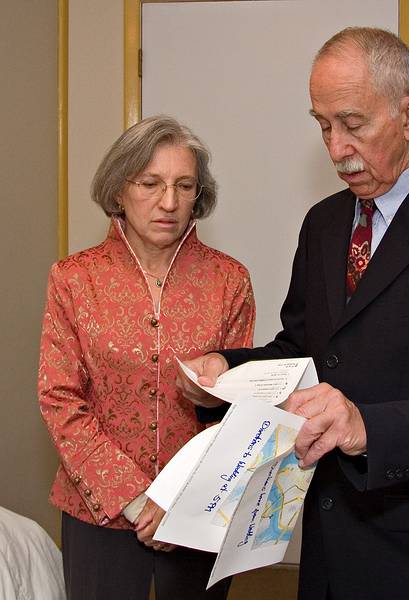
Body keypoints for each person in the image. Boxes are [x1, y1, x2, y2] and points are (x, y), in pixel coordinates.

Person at [177, 28, 409, 600]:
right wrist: (226, 371)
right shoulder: (324, 224)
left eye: (353, 124)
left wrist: (367, 426)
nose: (336, 147)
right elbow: (305, 352)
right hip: (331, 544)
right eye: (323, 125)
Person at [38, 115, 255, 599]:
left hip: (199, 513)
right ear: (119, 190)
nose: (169, 202)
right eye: (150, 183)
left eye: (184, 186)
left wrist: (186, 497)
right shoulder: (74, 280)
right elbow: (60, 400)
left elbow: (239, 411)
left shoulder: (229, 281)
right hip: (98, 512)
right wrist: (136, 501)